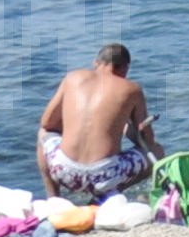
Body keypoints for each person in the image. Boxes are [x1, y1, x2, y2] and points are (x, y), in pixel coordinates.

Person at [35, 43, 159, 203]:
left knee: (42, 134)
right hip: (105, 178)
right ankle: (107, 195)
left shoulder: (73, 78)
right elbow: (147, 141)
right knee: (157, 152)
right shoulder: (132, 89)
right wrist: (123, 126)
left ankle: (54, 199)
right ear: (125, 68)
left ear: (96, 62)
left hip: (65, 172)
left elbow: (47, 123)